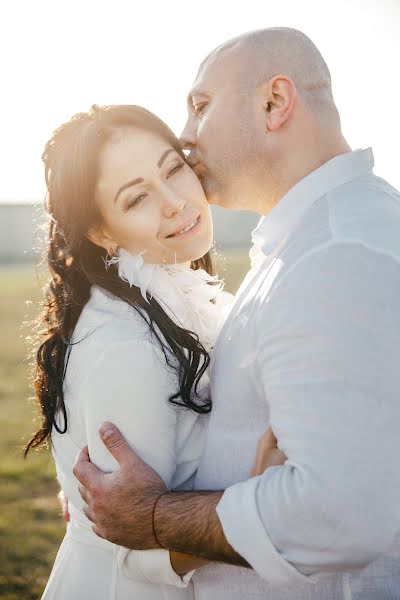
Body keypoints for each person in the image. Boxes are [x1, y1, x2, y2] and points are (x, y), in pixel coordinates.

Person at [74, 28, 400, 600]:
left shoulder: (336, 254)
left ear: (274, 103)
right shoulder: (315, 239)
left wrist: (153, 517)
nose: (185, 136)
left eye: (200, 106)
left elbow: (342, 511)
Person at [25, 104, 284, 600]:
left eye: (173, 169)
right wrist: (262, 503)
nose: (174, 202)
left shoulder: (170, 298)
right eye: (137, 197)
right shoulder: (127, 346)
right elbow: (136, 551)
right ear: (100, 231)